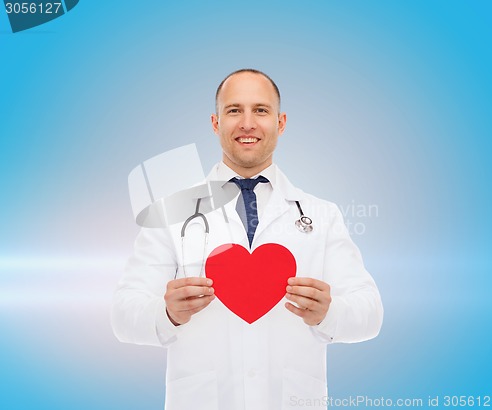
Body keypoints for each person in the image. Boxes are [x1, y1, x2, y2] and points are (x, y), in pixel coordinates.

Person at [111, 69, 383, 410]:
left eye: (261, 110)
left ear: (281, 122)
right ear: (215, 123)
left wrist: (328, 313)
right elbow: (123, 315)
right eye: (234, 110)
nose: (248, 123)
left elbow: (370, 313)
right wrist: (167, 313)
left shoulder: (321, 214)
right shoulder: (171, 212)